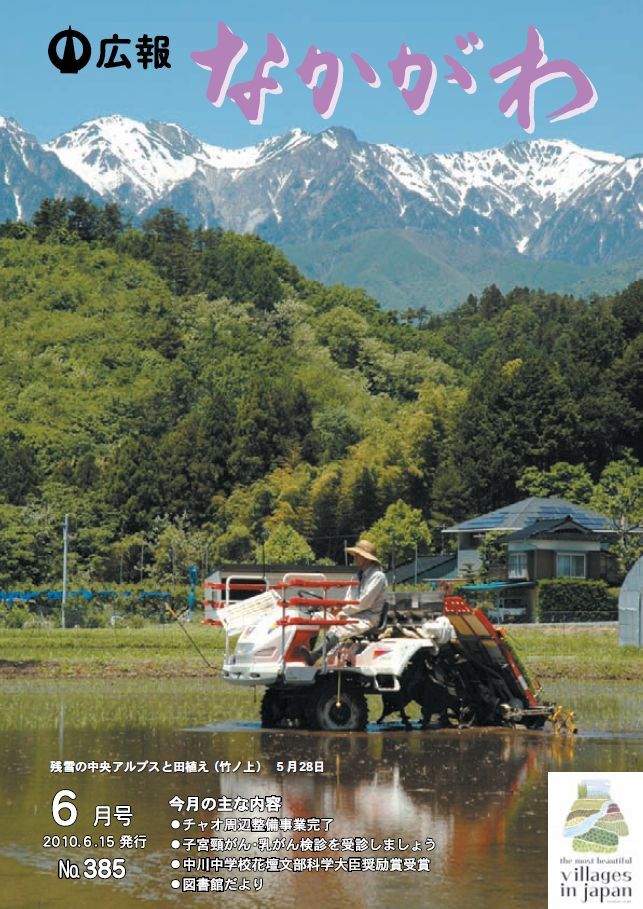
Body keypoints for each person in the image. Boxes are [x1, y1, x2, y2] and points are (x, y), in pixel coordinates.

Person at [310, 539, 388, 661]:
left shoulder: (378, 576)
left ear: (366, 558)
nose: (355, 558)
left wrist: (343, 612)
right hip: (351, 614)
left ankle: (315, 657)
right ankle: (307, 651)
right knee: (317, 617)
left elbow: (364, 603)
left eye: (358, 555)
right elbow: (349, 599)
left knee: (338, 628)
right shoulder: (356, 576)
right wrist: (338, 609)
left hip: (367, 618)